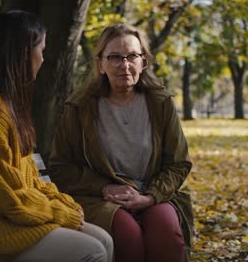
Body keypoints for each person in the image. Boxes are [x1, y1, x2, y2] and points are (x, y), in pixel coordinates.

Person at [0, 11, 113, 262]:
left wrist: (62, 203)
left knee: (104, 239)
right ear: (25, 53)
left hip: (7, 221)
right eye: (41, 49)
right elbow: (0, 192)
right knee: (93, 251)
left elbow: (26, 181)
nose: (43, 58)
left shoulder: (3, 103)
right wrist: (58, 213)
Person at [49, 23, 194, 262]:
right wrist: (105, 188)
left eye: (132, 56)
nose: (124, 65)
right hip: (101, 197)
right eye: (115, 57)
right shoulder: (80, 107)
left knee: (167, 234)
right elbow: (61, 166)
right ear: (100, 64)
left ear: (143, 61)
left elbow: (178, 163)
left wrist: (150, 196)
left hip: (151, 191)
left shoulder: (161, 104)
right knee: (128, 235)